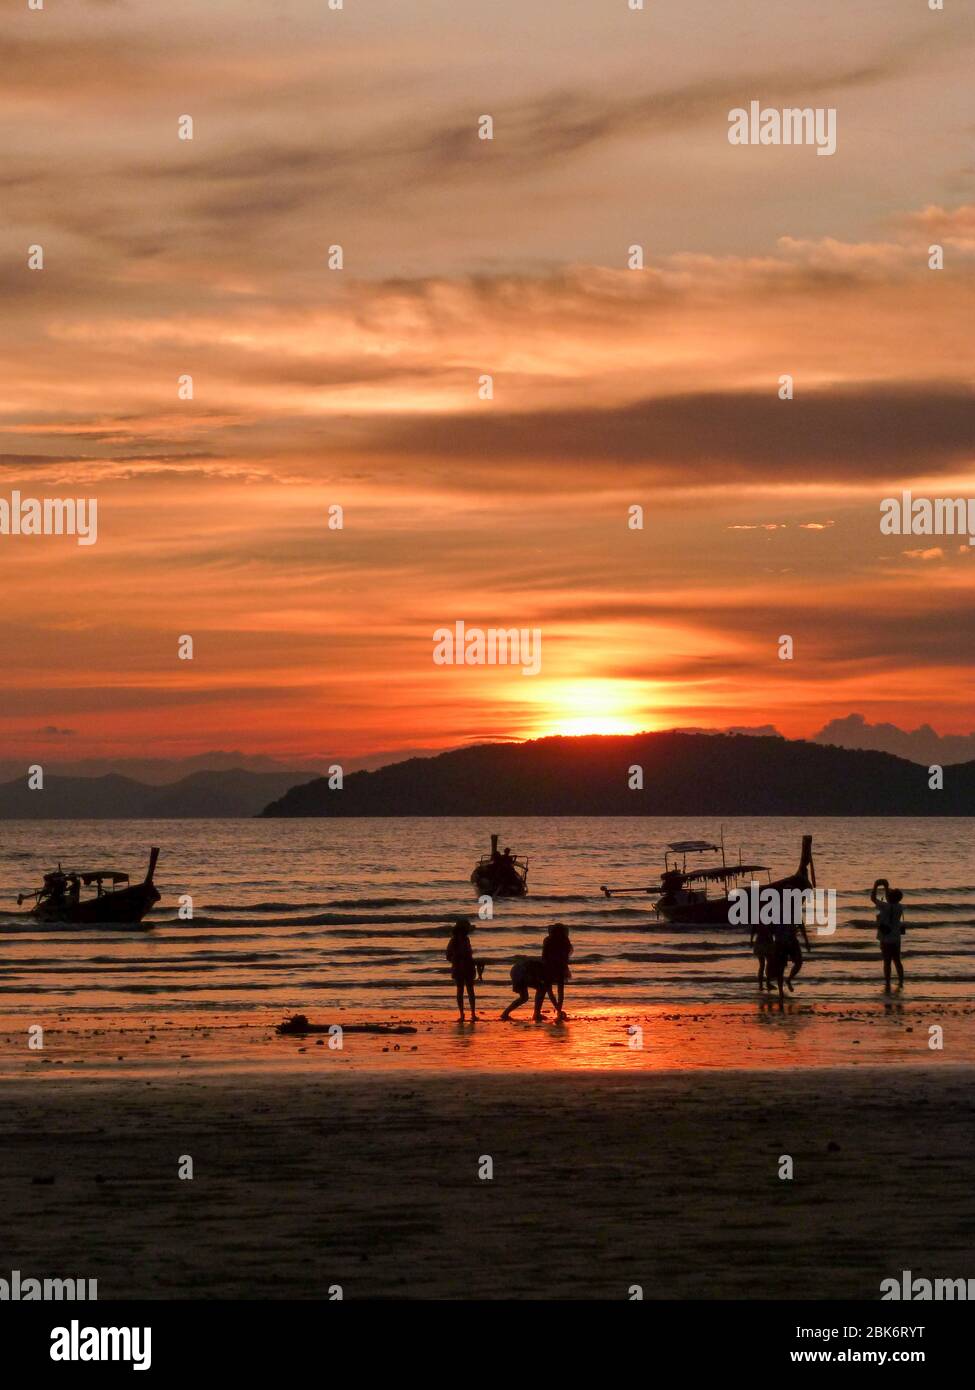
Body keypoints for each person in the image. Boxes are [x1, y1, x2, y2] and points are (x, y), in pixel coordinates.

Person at [500, 955, 559, 1022]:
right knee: (541, 989)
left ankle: (505, 1014)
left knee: (524, 997)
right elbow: (550, 994)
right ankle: (536, 1014)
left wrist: (558, 1009)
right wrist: (558, 1010)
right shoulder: (548, 971)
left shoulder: (548, 967)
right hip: (522, 971)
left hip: (517, 969)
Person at [871, 878, 905, 989]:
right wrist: (886, 888)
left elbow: (873, 898)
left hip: (886, 938)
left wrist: (876, 886)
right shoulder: (899, 907)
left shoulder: (885, 906)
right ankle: (900, 981)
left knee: (887, 962)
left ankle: (888, 982)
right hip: (896, 938)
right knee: (897, 961)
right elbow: (890, 900)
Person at [766, 916, 811, 1000]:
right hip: (780, 943)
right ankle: (781, 992)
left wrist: (807, 942)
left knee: (799, 962)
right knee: (780, 968)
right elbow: (770, 929)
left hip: (792, 941)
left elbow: (802, 927)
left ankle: (789, 979)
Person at [446, 917, 478, 1020]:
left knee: (467, 990)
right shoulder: (454, 941)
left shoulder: (463, 939)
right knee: (465, 990)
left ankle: (470, 1014)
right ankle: (465, 1014)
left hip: (465, 967)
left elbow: (448, 956)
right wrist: (458, 959)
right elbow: (448, 955)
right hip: (462, 967)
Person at [542, 923, 573, 1018]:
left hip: (549, 966)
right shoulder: (565, 941)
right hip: (560, 966)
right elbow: (566, 957)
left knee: (549, 989)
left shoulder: (548, 940)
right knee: (560, 989)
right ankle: (559, 1010)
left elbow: (544, 955)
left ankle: (558, 1008)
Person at [750, 920, 774, 990]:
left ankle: (761, 985)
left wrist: (751, 941)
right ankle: (767, 983)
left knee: (762, 965)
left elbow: (753, 931)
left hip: (759, 942)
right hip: (767, 943)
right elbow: (772, 931)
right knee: (769, 964)